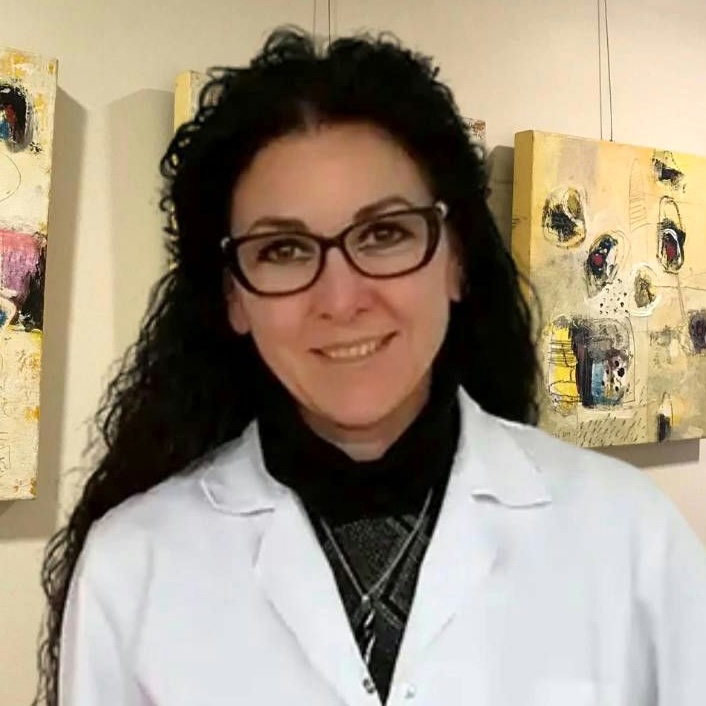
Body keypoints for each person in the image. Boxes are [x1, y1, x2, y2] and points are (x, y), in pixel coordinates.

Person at [35, 27, 706, 706]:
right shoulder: (132, 570)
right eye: (283, 249)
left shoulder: (630, 538)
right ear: (233, 296)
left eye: (384, 234)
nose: (341, 299)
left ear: (455, 259)